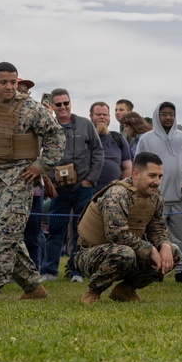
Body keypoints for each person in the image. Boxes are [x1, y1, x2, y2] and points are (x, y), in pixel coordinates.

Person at [0, 62, 65, 301]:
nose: (9, 87)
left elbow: (56, 135)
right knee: (4, 233)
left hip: (20, 177)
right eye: (4, 82)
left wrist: (41, 165)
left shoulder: (31, 108)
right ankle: (33, 287)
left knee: (5, 232)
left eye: (13, 82)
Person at [77, 152, 182, 303]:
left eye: (160, 177)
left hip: (128, 251)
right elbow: (116, 234)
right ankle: (93, 291)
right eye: (152, 176)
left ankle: (125, 290)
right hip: (91, 255)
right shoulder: (117, 194)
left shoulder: (155, 199)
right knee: (125, 253)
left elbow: (157, 229)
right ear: (136, 174)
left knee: (173, 252)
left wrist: (164, 245)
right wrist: (150, 249)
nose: (157, 182)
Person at [41, 88, 104, 282]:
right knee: (55, 230)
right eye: (58, 104)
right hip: (58, 189)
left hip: (83, 188)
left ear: (70, 103)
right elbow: (39, 153)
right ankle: (49, 271)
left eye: (65, 103)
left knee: (82, 232)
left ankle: (77, 271)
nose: (63, 107)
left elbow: (98, 152)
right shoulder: (47, 127)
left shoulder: (85, 125)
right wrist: (49, 180)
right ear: (52, 106)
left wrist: (90, 180)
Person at [135, 101, 182, 283]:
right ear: (157, 115)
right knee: (155, 239)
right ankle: (157, 272)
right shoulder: (146, 139)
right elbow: (138, 165)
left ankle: (181, 272)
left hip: (181, 199)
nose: (168, 117)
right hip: (155, 200)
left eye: (171, 114)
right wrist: (146, 188)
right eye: (164, 114)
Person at [89, 101, 132, 189]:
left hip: (113, 194)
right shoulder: (84, 138)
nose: (102, 117)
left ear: (109, 117)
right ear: (91, 116)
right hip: (87, 193)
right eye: (98, 114)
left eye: (105, 115)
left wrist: (120, 188)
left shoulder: (118, 138)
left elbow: (128, 167)